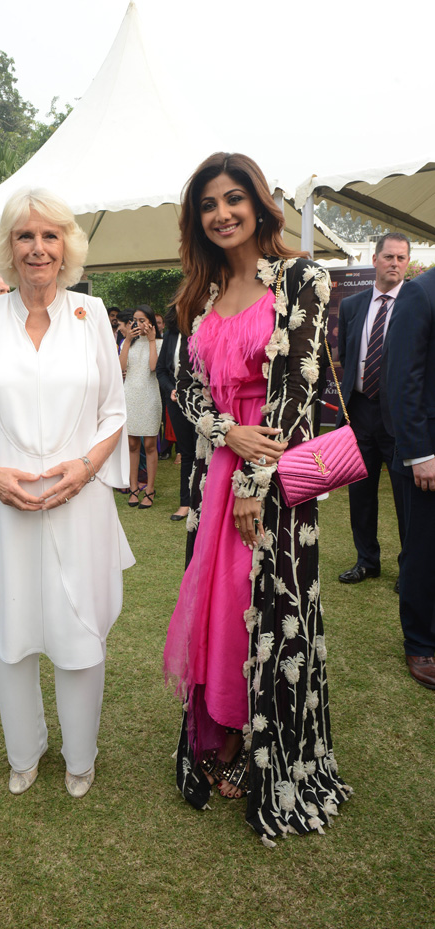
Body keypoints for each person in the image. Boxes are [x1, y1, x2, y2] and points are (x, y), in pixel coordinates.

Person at [163, 152, 351, 843]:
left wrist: (252, 481)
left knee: (265, 613)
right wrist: (224, 432)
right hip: (217, 478)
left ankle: (270, 751)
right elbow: (186, 389)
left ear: (260, 202)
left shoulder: (301, 276)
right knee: (218, 610)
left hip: (270, 486)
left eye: (233, 198)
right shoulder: (204, 292)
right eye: (208, 204)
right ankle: (229, 737)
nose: (221, 213)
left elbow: (297, 399)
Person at [0, 188, 134, 798]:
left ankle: (82, 756)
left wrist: (83, 469)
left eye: (50, 236)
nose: (38, 248)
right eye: (25, 236)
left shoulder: (93, 315)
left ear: (68, 246)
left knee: (80, 631)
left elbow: (113, 411)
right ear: (8, 246)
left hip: (81, 502)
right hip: (5, 506)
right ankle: (24, 751)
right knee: (13, 630)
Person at [336, 233, 410, 587]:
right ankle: (367, 561)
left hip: (400, 416)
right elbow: (347, 359)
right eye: (389, 257)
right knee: (360, 495)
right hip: (361, 413)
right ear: (375, 259)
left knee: (406, 498)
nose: (395, 263)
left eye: (402, 258)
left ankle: (410, 567)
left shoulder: (418, 303)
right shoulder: (352, 307)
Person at [383, 265, 435, 690]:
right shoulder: (420, 292)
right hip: (427, 452)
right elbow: (402, 379)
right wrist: (419, 453)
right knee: (423, 548)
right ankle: (420, 643)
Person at [156, 306, 196, 522]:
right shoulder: (171, 333)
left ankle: (205, 503)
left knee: (204, 454)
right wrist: (171, 389)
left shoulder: (204, 329)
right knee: (186, 452)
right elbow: (161, 370)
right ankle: (185, 503)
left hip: (203, 402)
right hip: (176, 401)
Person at [120, 305, 162, 509]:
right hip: (130, 395)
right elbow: (120, 368)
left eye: (142, 320)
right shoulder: (128, 343)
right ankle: (134, 487)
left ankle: (151, 489)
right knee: (132, 445)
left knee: (150, 445)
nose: (138, 324)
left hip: (150, 395)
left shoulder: (159, 343)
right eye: (135, 320)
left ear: (151, 322)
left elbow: (154, 367)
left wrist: (152, 340)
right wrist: (127, 340)